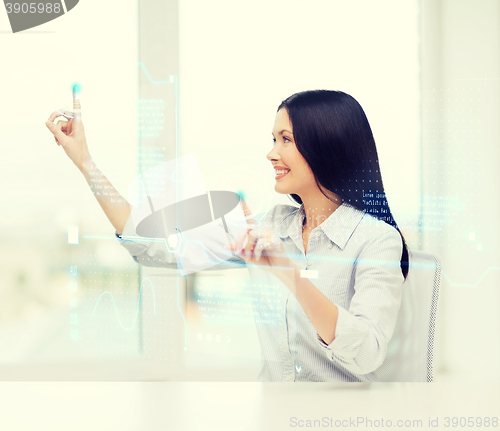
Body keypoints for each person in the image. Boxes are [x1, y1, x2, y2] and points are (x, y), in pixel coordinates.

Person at [45, 90, 409, 382]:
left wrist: (287, 271)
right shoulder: (271, 227)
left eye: (286, 140)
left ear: (325, 146)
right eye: (273, 139)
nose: (271, 153)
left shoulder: (377, 240)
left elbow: (366, 354)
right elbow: (151, 247)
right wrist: (85, 162)